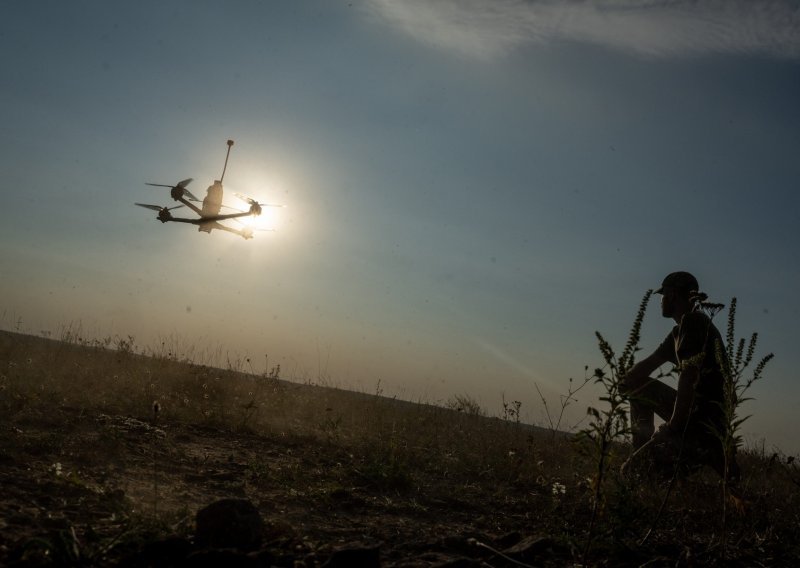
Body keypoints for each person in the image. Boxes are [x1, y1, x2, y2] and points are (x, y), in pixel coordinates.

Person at [620, 271, 738, 481]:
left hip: (702, 422)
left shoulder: (693, 322)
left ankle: (692, 450)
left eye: (663, 295)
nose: (662, 301)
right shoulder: (679, 331)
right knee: (637, 385)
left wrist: (673, 426)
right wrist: (624, 381)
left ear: (673, 295)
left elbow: (689, 375)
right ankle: (650, 454)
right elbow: (647, 365)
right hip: (698, 418)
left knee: (633, 474)